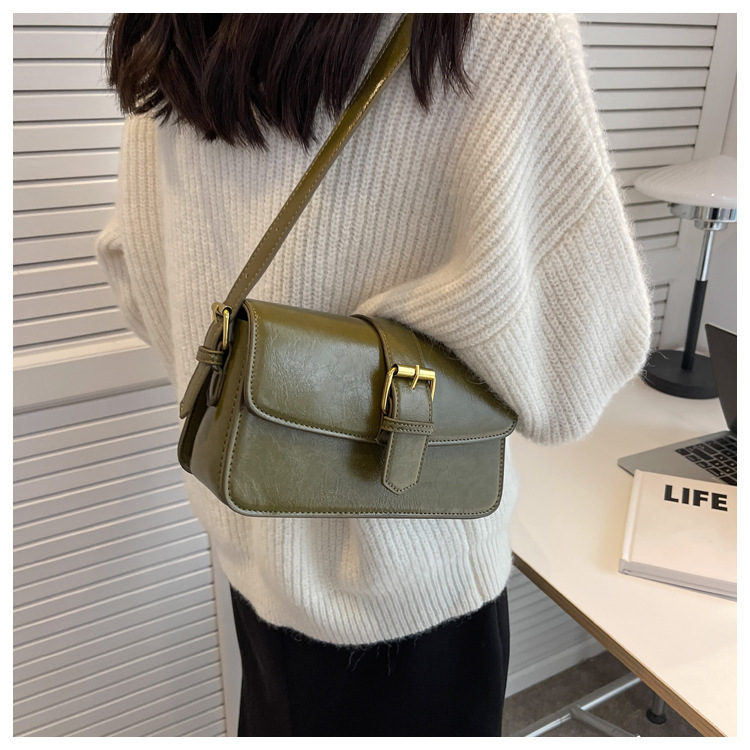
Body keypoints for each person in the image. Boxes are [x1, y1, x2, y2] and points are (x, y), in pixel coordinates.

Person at [97, 13, 653, 737]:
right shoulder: (505, 29)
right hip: (413, 581)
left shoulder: (172, 28)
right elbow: (577, 370)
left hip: (245, 531)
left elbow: (134, 267)